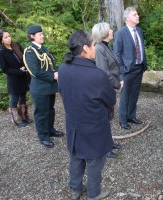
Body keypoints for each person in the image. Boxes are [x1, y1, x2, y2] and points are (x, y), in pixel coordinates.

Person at [58, 30, 115, 200]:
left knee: (76, 156)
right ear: (85, 48)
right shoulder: (97, 76)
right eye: (93, 45)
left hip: (74, 124)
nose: (96, 48)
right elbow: (110, 100)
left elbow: (63, 92)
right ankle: (94, 194)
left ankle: (75, 189)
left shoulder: (63, 69)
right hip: (94, 127)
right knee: (95, 161)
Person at [23, 25, 63, 148]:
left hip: (50, 87)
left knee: (50, 110)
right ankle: (43, 136)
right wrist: (53, 76)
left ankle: (50, 129)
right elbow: (35, 71)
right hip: (40, 88)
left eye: (42, 33)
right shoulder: (29, 51)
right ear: (32, 36)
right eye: (40, 34)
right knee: (41, 113)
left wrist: (56, 72)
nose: (42, 36)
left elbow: (52, 64)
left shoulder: (43, 49)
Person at [113, 6, 148, 130]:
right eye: (135, 14)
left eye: (137, 14)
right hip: (127, 70)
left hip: (139, 68)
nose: (138, 16)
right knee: (125, 96)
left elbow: (141, 48)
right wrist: (122, 70)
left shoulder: (139, 31)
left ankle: (131, 116)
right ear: (127, 18)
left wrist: (144, 64)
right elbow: (116, 54)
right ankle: (122, 120)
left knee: (135, 94)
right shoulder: (120, 33)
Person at [92, 22, 123, 159]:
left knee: (108, 117)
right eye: (110, 29)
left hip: (109, 87)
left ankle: (108, 143)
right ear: (104, 33)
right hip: (104, 89)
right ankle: (103, 148)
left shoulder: (105, 46)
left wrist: (119, 79)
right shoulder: (99, 49)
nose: (112, 30)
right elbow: (104, 73)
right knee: (103, 119)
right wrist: (117, 84)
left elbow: (115, 66)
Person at [0, 29, 32, 127]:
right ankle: (16, 119)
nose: (8, 39)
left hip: (24, 77)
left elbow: (25, 57)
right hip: (14, 79)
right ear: (1, 40)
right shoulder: (1, 53)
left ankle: (24, 116)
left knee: (23, 97)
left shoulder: (16, 45)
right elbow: (5, 69)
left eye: (9, 36)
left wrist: (25, 67)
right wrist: (19, 71)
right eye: (5, 37)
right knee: (15, 98)